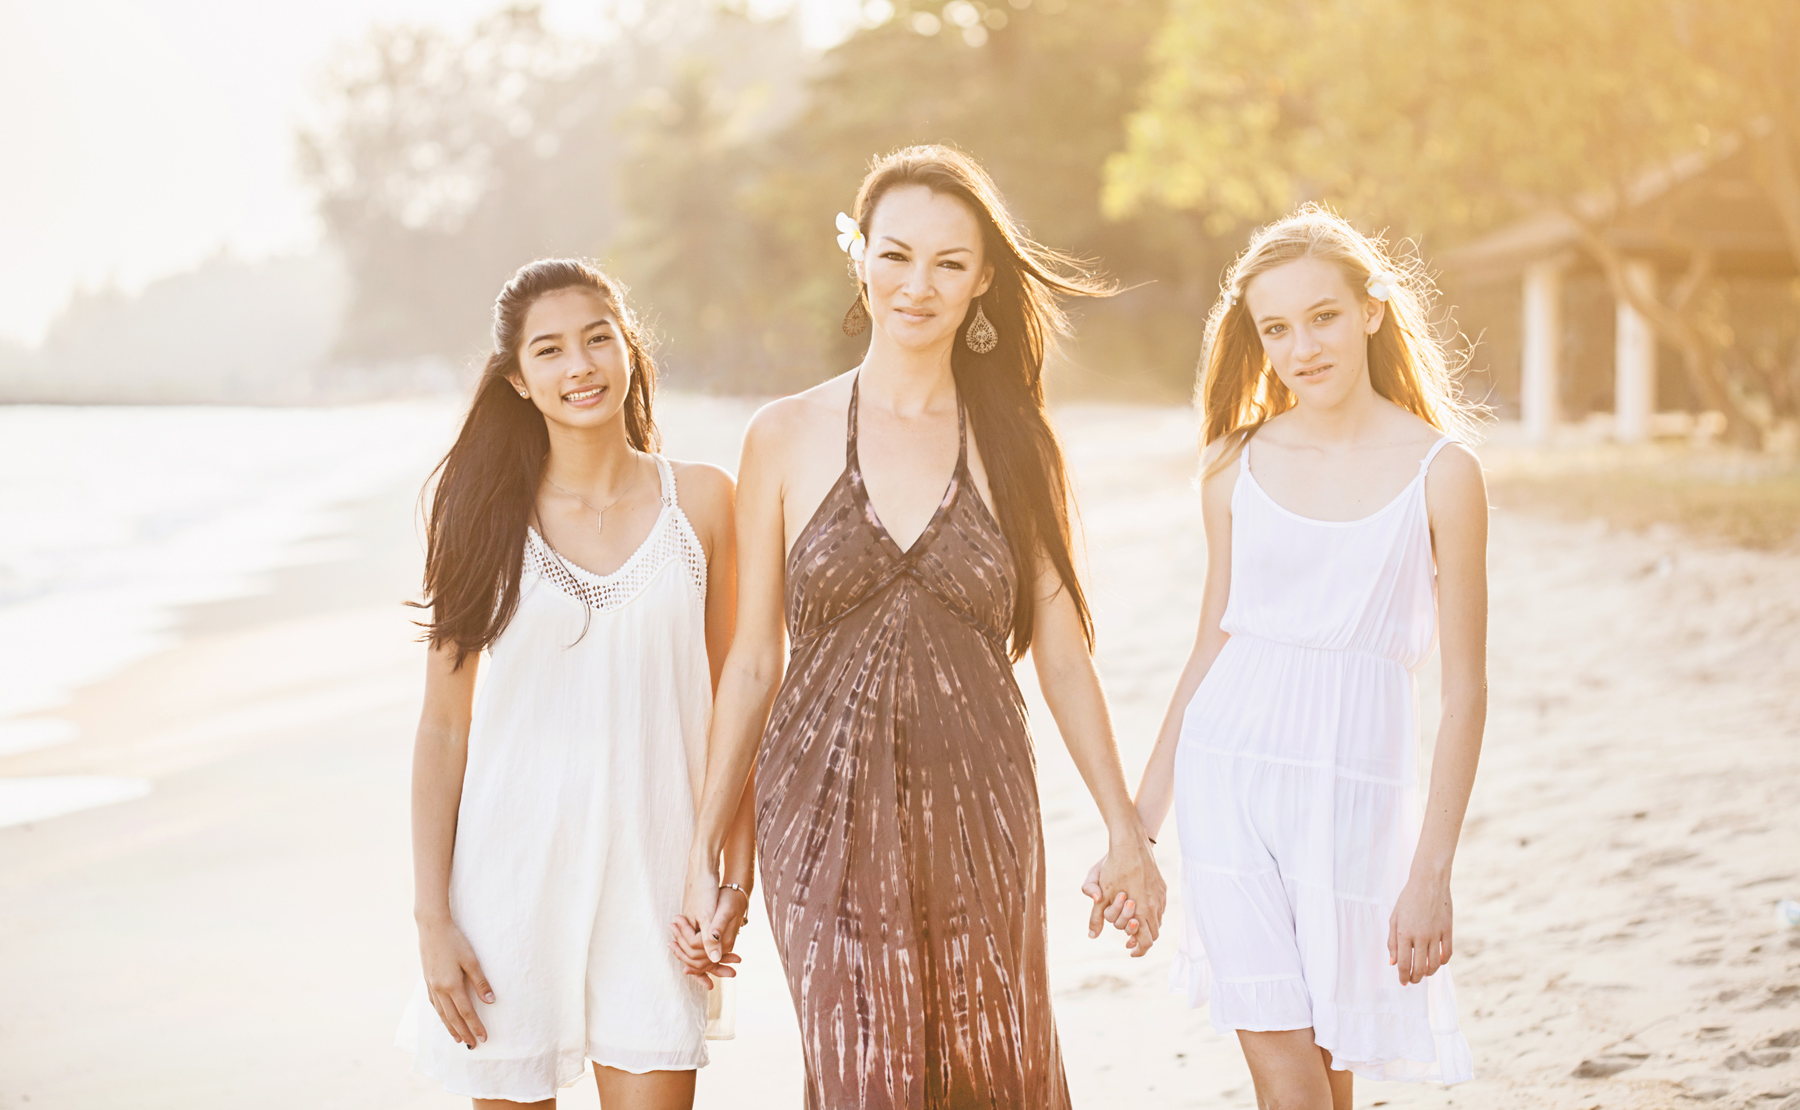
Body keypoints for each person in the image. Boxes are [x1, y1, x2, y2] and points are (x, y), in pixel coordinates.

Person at [671, 145, 1165, 1108]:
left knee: (993, 1069)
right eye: (896, 255)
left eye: (949, 262)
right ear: (859, 257)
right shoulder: (782, 434)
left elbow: (1062, 653)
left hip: (983, 805)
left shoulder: (1019, 444)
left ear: (983, 279)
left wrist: (1125, 828)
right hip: (817, 812)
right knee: (868, 1076)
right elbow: (750, 662)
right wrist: (706, 859)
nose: (918, 285)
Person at [1117, 206, 1486, 1107]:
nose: (1301, 348)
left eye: (1322, 316)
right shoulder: (1230, 466)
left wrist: (1431, 874)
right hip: (1229, 775)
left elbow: (1467, 692)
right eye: (1274, 329)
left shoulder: (1444, 472)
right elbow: (1213, 644)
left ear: (1371, 310)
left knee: (1331, 1060)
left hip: (1356, 791)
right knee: (1283, 1063)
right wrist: (1137, 827)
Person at [399, 259, 753, 1109]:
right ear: (520, 380)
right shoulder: (481, 516)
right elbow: (444, 730)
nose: (580, 366)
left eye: (599, 338)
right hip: (507, 888)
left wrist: (732, 880)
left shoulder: (702, 504)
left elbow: (741, 706)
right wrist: (432, 919)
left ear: (630, 348)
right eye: (550, 351)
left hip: (660, 884)